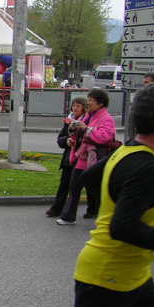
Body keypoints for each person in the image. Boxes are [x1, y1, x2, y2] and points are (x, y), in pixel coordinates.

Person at [48, 82, 154, 307]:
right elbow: (124, 227)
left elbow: (90, 177)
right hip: (107, 276)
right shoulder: (147, 166)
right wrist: (117, 212)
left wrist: (113, 204)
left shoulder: (130, 150)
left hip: (135, 274)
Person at [57, 88, 115, 225]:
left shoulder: (106, 118)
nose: (88, 103)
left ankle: (105, 217)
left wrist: (86, 129)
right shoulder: (90, 116)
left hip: (95, 159)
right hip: (83, 158)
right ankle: (68, 216)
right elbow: (81, 135)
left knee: (96, 190)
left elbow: (104, 137)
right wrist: (72, 131)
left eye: (91, 101)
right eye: (88, 100)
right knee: (74, 186)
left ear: (100, 103)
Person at [45, 97, 88, 218]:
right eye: (74, 105)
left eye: (78, 106)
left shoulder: (87, 121)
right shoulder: (68, 121)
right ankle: (57, 208)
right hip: (69, 158)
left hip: (82, 157)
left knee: (85, 184)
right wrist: (67, 141)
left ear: (84, 108)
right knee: (64, 183)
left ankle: (93, 208)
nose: (75, 108)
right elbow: (60, 139)